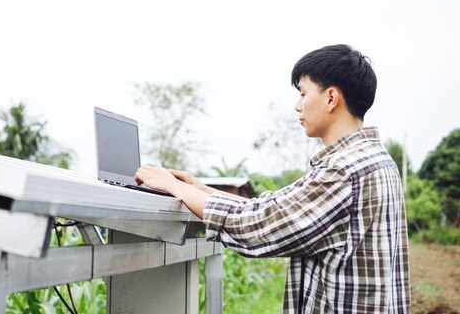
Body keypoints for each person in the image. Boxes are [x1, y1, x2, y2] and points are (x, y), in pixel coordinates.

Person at [134, 44, 410, 314]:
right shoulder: (375, 160)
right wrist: (198, 188)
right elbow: (273, 207)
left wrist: (171, 185)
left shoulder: (344, 170)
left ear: (331, 98)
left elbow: (257, 225)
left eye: (303, 93)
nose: (297, 106)